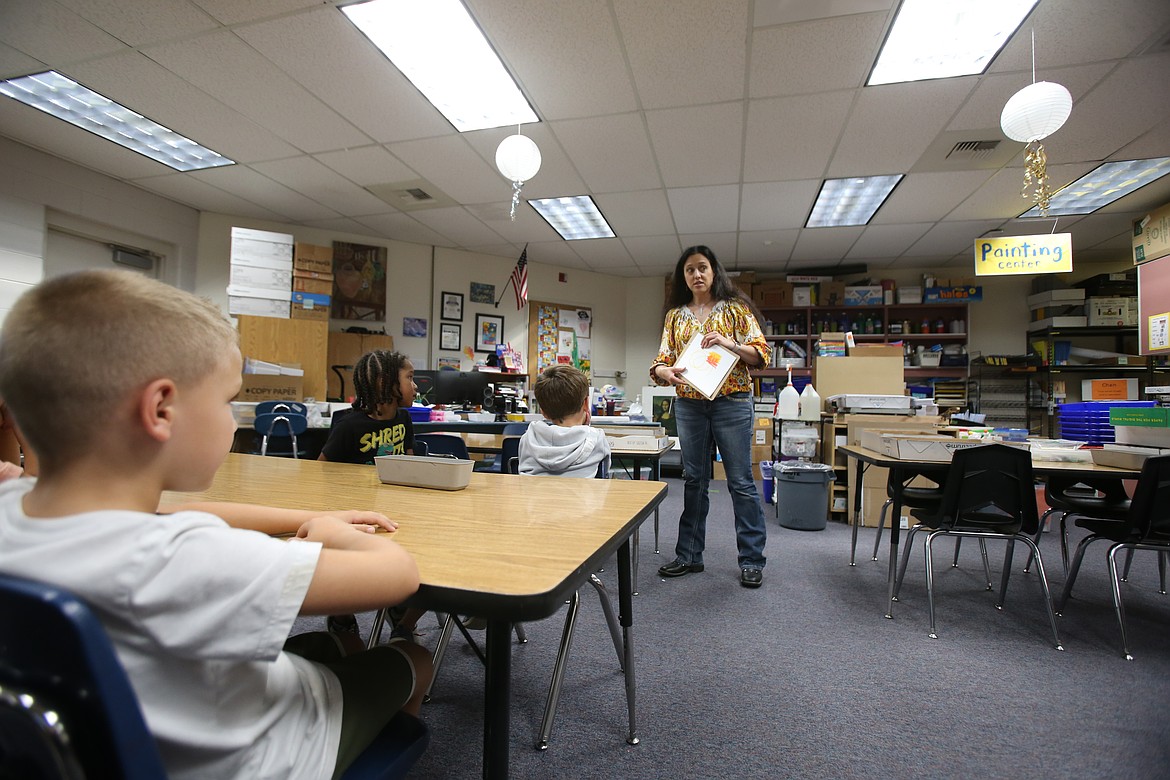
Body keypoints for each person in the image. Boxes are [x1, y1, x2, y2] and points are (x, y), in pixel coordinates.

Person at [0, 269, 432, 780]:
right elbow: (399, 575)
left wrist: (310, 516)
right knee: (412, 657)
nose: (233, 420)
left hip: (135, 721)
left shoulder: (17, 505)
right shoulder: (185, 557)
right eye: (228, 401)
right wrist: (336, 535)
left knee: (344, 644)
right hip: (268, 755)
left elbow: (179, 515)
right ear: (161, 409)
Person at [650, 245, 772, 588]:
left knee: (740, 482)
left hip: (732, 402)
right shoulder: (676, 315)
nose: (697, 275)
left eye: (702, 268)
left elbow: (761, 354)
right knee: (694, 480)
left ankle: (751, 560)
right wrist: (665, 372)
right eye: (690, 270)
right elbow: (660, 360)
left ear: (714, 271)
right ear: (683, 278)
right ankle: (689, 556)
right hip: (689, 404)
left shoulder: (735, 309)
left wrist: (731, 344)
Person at [319, 349, 417, 464]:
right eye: (409, 377)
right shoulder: (349, 426)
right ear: (384, 382)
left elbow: (410, 463)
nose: (415, 386)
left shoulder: (404, 418)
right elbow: (322, 467)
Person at [519, 365, 611, 479]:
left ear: (543, 411)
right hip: (581, 496)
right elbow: (604, 475)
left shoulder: (528, 438)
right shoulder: (597, 439)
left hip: (533, 496)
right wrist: (586, 428)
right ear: (586, 403)